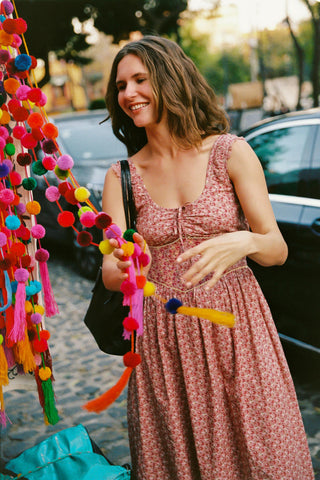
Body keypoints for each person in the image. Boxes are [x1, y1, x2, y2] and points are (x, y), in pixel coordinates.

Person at [101, 35, 314, 480]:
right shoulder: (121, 176)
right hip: (164, 343)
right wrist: (125, 266)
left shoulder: (229, 152)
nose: (128, 94)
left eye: (140, 79)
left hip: (239, 333)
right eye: (121, 85)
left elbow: (276, 248)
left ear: (170, 79)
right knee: (180, 463)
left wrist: (245, 242)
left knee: (262, 456)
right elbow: (109, 274)